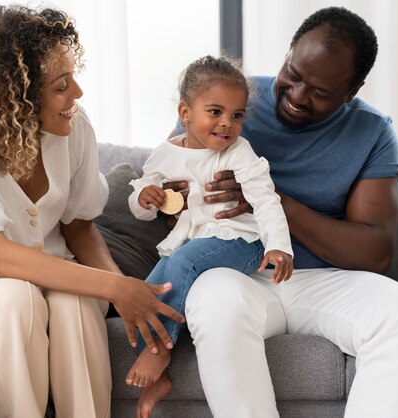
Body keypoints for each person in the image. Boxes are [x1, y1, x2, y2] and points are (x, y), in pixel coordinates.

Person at [167, 6, 398, 418]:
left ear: (351, 90)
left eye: (320, 92)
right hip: (239, 276)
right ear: (288, 52)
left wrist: (271, 200)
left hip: (322, 280)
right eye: (292, 74)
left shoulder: (372, 132)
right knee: (213, 297)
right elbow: (173, 198)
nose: (296, 96)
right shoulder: (230, 102)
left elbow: (374, 252)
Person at [0, 5, 184, 418]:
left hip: (57, 271)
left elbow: (79, 229)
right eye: (62, 85)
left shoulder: (75, 128)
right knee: (15, 300)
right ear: (16, 95)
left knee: (75, 304)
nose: (76, 93)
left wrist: (123, 288)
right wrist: (114, 288)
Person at [125, 56, 294, 417]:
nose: (227, 124)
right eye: (215, 111)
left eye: (236, 115)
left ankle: (160, 351)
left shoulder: (240, 152)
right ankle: (162, 378)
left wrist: (279, 246)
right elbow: (141, 203)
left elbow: (266, 200)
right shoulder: (165, 153)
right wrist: (145, 198)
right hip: (192, 241)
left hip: (241, 243)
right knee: (149, 289)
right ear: (185, 112)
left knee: (184, 261)